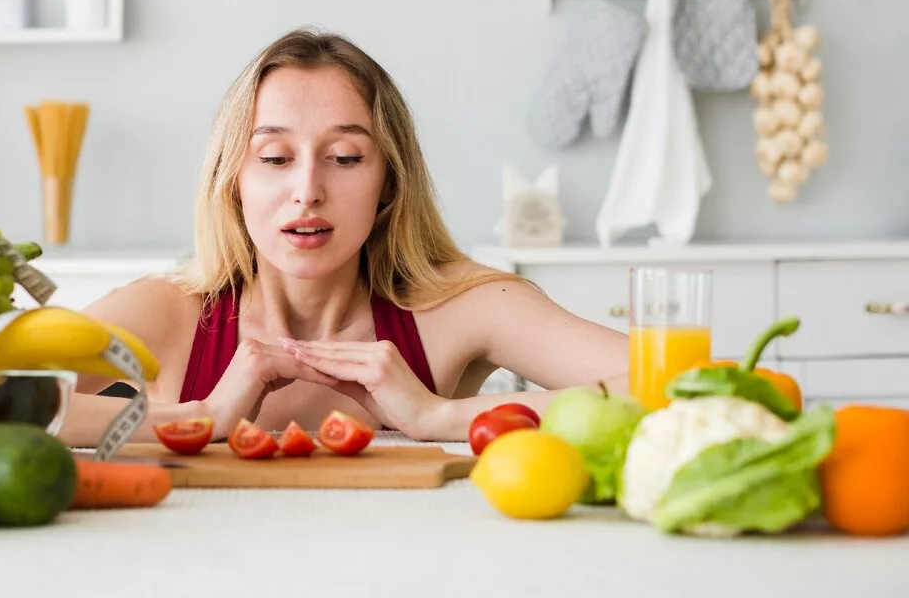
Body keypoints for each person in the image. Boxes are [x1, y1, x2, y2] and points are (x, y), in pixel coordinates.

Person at [59, 28, 628, 447]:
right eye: (276, 157)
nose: (307, 190)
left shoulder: (459, 307)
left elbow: (683, 385)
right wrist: (202, 416)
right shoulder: (169, 313)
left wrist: (438, 417)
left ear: (389, 181)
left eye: (345, 157)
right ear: (233, 182)